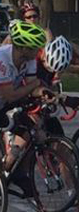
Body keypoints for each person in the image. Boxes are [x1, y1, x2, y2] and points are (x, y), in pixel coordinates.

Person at [0, 21, 52, 174]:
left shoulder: (28, 60)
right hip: (5, 98)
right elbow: (10, 95)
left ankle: (9, 169)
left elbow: (32, 88)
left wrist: (43, 91)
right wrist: (35, 84)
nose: (38, 50)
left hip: (3, 103)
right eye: (35, 47)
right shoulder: (2, 60)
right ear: (23, 48)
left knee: (29, 129)